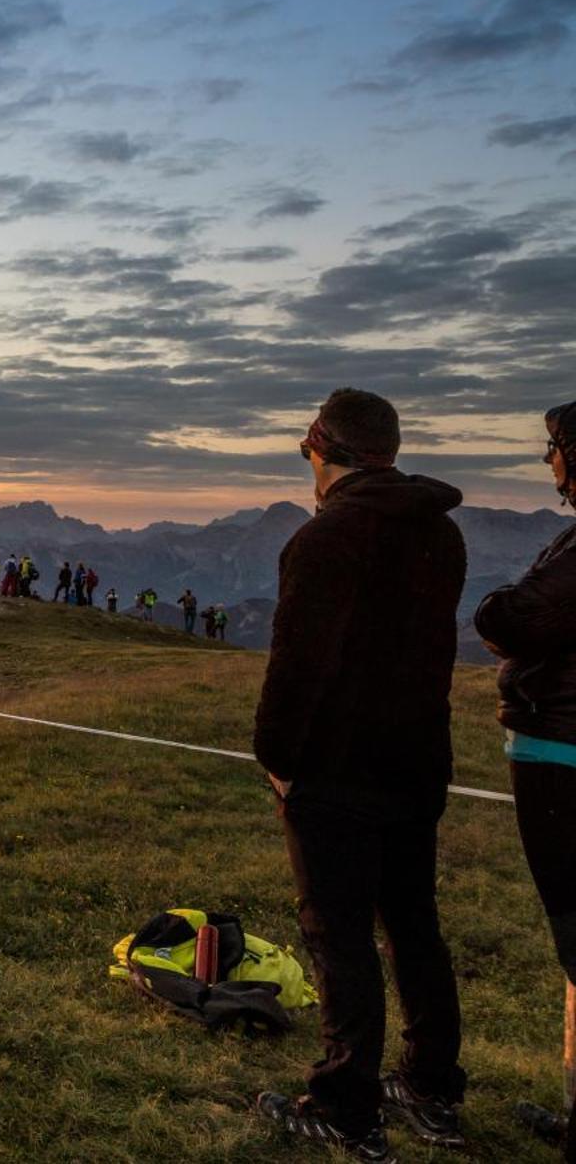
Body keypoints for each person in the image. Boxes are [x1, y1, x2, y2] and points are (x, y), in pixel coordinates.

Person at [252, 389, 469, 1158]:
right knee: (415, 928)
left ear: (322, 448)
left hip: (336, 776)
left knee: (337, 934)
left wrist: (276, 760)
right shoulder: (441, 535)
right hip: (417, 766)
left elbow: (296, 669)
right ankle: (433, 1086)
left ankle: (347, 1104)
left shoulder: (323, 540)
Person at [475, 400, 576, 1161]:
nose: (547, 462)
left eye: (553, 449)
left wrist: (493, 605)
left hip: (561, 752)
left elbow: (513, 616)